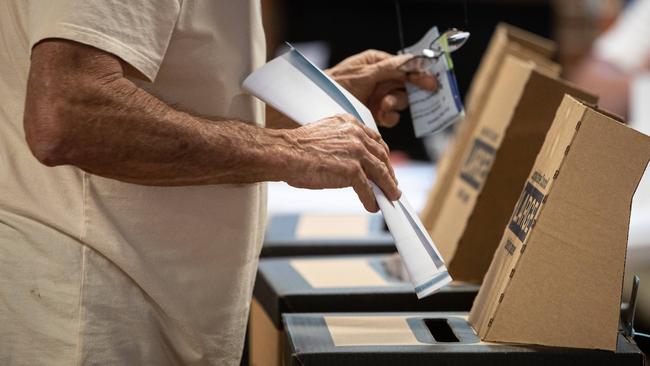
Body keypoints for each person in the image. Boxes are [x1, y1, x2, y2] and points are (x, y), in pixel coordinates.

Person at [0, 1, 436, 365]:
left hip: (138, 311)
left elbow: (180, 98)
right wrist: (292, 150)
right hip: (91, 321)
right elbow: (69, 114)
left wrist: (320, 102)